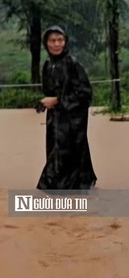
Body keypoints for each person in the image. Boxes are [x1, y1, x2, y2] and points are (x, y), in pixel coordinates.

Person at [36, 26, 97, 191]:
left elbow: (85, 94)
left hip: (72, 120)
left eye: (60, 40)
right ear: (46, 43)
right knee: (54, 150)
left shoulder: (73, 64)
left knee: (71, 150)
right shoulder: (48, 65)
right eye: (52, 40)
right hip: (54, 119)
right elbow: (48, 91)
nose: (56, 44)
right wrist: (44, 103)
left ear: (65, 41)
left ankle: (77, 185)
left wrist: (58, 101)